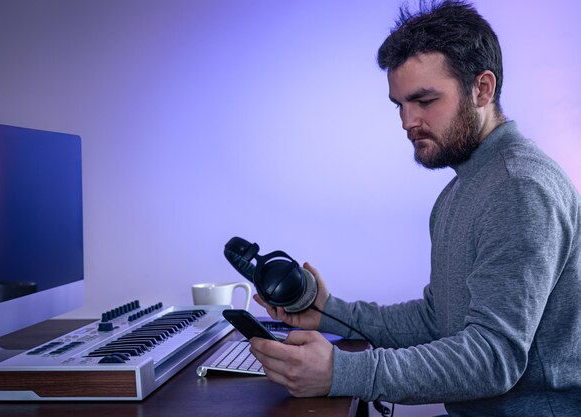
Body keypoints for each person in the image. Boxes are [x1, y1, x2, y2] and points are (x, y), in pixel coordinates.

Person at [248, 1, 581, 416]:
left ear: (483, 89)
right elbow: (436, 320)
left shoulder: (518, 188)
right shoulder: (460, 191)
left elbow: (494, 358)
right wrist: (329, 313)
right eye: (400, 104)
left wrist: (341, 371)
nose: (407, 121)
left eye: (424, 100)